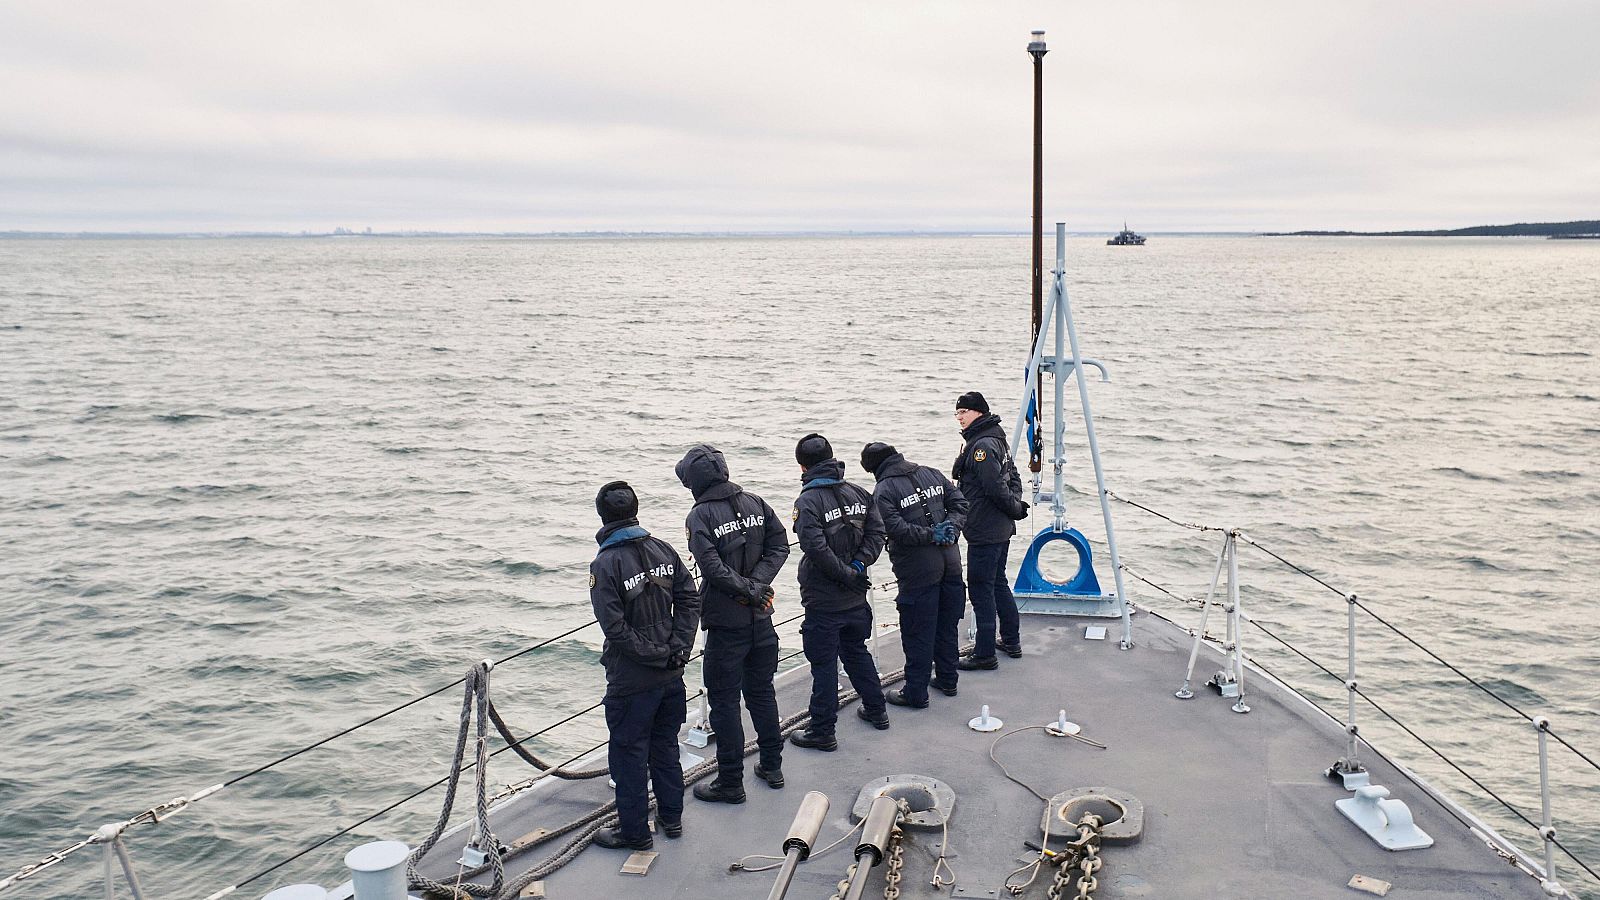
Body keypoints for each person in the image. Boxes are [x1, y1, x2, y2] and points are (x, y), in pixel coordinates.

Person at [587, 481, 701, 851]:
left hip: (632, 680)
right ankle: (672, 818)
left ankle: (634, 832)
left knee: (629, 755)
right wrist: (678, 648)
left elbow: (614, 628)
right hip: (671, 673)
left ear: (603, 516)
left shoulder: (605, 563)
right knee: (665, 746)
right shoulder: (663, 549)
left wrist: (656, 653)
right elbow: (690, 599)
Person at [675, 445, 791, 803]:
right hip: (762, 619)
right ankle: (772, 766)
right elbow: (780, 546)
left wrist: (747, 589)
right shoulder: (756, 502)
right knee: (762, 693)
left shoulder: (699, 516)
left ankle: (730, 782)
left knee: (724, 703)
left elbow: (711, 568)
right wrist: (757, 586)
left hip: (726, 623)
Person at [787, 433, 889, 751]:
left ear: (802, 467)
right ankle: (877, 710)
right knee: (856, 651)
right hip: (856, 595)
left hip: (824, 599)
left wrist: (847, 574)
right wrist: (857, 567)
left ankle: (822, 730)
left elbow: (815, 549)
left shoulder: (807, 502)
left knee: (824, 665)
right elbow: (877, 533)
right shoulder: (859, 492)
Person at [861, 441, 969, 708]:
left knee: (917, 632)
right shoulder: (932, 473)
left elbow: (895, 528)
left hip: (918, 572)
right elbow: (960, 503)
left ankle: (916, 693)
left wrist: (931, 535)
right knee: (947, 625)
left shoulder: (884, 490)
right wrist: (951, 528)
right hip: (952, 563)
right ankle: (948, 679)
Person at [952, 392, 1029, 671]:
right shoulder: (996, 438)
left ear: (979, 413)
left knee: (981, 589)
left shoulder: (982, 446)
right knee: (997, 582)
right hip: (999, 527)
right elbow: (1014, 477)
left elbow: (994, 487)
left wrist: (1014, 508)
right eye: (957, 413)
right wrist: (1015, 506)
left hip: (985, 528)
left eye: (964, 412)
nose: (959, 418)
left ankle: (984, 654)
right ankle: (1011, 640)